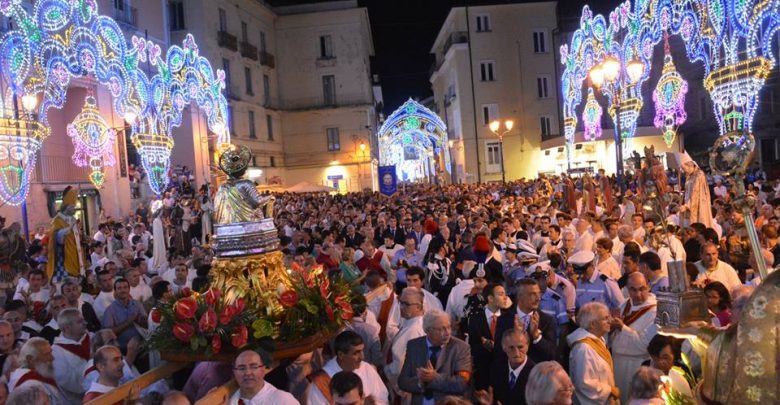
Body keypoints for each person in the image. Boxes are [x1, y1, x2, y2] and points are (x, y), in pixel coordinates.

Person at [397, 309, 471, 404]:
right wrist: (420, 383)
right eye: (441, 329)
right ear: (428, 330)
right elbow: (403, 382)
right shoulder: (414, 346)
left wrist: (435, 378)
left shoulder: (461, 348)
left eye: (449, 327)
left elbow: (462, 384)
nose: (447, 332)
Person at [610, 273, 658, 404]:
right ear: (627, 289)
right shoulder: (625, 304)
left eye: (642, 288)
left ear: (648, 287)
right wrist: (611, 328)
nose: (638, 294)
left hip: (637, 365)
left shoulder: (655, 311)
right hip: (617, 363)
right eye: (633, 289)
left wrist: (622, 328)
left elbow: (644, 346)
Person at [306, 331, 388, 405]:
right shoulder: (322, 380)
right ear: (341, 355)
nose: (362, 357)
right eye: (356, 353)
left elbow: (382, 398)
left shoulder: (367, 368)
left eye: (362, 350)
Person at [567, 302, 619, 405]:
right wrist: (609, 391)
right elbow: (583, 383)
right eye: (605, 318)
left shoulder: (599, 340)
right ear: (592, 324)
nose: (610, 321)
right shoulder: (583, 348)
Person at [495, 279, 556, 365]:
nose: (538, 298)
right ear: (519, 296)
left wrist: (536, 336)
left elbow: (551, 354)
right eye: (532, 294)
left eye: (539, 293)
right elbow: (498, 352)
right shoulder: (503, 320)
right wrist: (515, 337)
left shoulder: (547, 320)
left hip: (537, 374)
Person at [383, 287, 425, 404]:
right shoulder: (410, 323)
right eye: (400, 302)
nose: (401, 307)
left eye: (406, 304)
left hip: (404, 388)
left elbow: (400, 365)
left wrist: (386, 371)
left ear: (419, 306)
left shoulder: (414, 330)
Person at [465, 283, 505, 390]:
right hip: (483, 373)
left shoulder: (509, 318)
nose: (505, 297)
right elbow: (472, 346)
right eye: (501, 294)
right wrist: (484, 346)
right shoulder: (475, 319)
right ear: (490, 298)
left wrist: (495, 346)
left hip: (503, 373)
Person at [229, 349, 298, 404]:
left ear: (263, 370)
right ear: (234, 372)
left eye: (254, 367)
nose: (248, 373)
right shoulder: (229, 401)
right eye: (242, 368)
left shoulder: (283, 400)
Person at [8, 337, 66, 403]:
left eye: (50, 352)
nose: (52, 358)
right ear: (30, 359)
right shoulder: (28, 384)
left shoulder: (42, 374)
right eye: (46, 354)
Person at [487, 328, 535, 405]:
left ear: (527, 346)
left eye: (520, 347)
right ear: (504, 347)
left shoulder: (536, 374)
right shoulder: (496, 368)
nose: (516, 353)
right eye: (511, 347)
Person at [47, 186, 85, 283]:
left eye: (74, 207)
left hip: (74, 252)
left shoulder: (72, 219)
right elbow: (56, 236)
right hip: (62, 255)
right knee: (64, 281)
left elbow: (76, 235)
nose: (74, 209)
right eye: (72, 207)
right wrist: (68, 229)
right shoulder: (57, 220)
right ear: (66, 207)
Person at [52, 308, 90, 403]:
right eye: (80, 321)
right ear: (67, 328)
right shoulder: (56, 352)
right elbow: (70, 382)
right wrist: (93, 363)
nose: (85, 323)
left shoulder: (90, 337)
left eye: (83, 319)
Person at [101, 278, 147, 355]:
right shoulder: (110, 310)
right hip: (123, 350)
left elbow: (146, 325)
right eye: (119, 288)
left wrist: (141, 320)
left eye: (125, 287)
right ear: (115, 291)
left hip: (142, 345)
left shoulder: (138, 304)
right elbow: (108, 333)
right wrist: (129, 322)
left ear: (129, 289)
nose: (123, 290)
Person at [679, 152, 713, 228]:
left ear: (690, 165)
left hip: (698, 204)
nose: (684, 171)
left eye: (684, 169)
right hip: (688, 204)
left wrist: (687, 205)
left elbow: (695, 193)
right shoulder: (689, 176)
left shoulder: (699, 175)